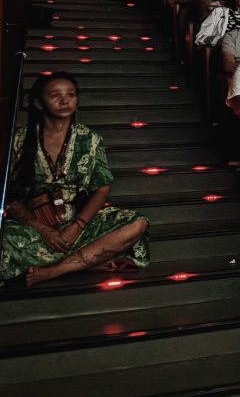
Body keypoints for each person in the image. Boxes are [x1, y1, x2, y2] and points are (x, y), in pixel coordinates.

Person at [2, 73, 151, 285]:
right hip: (34, 224)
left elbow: (102, 187)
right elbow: (7, 193)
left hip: (76, 221)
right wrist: (41, 229)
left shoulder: (90, 138)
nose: (65, 101)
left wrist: (77, 226)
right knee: (5, 240)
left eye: (71, 95)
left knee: (138, 223)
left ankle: (56, 270)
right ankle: (87, 263)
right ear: (38, 103)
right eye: (55, 95)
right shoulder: (19, 138)